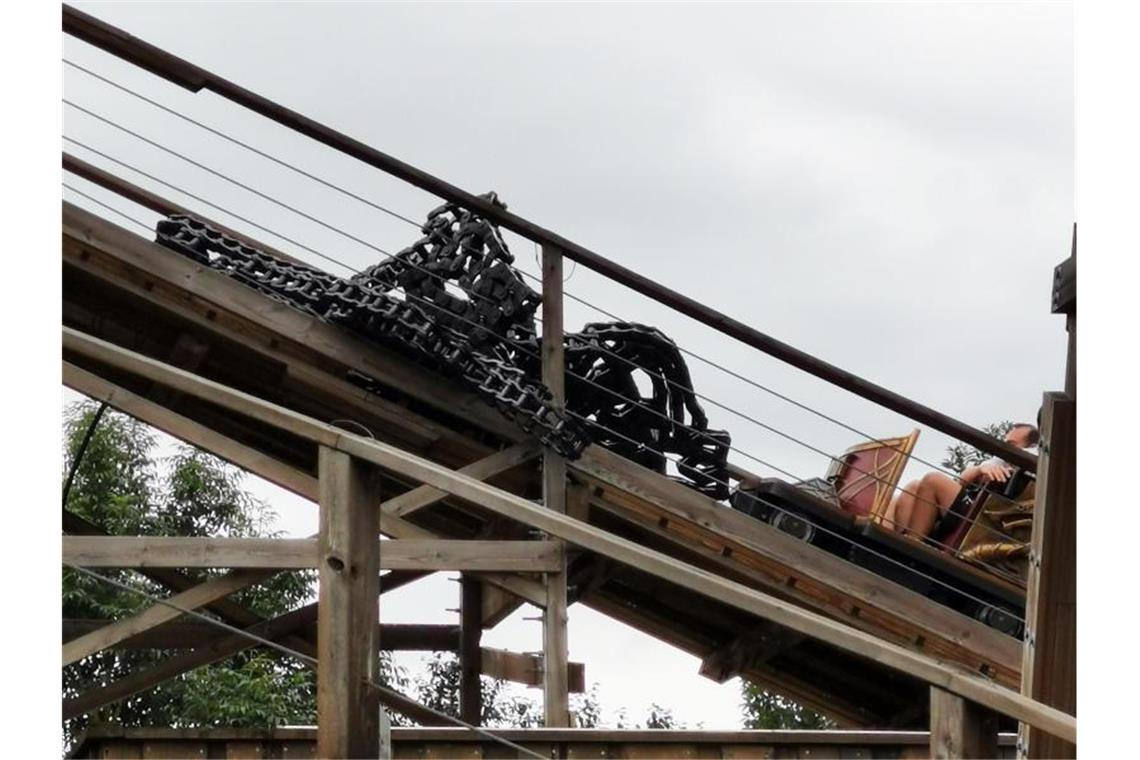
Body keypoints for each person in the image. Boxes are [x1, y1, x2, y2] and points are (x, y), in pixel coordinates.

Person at [882, 423, 1039, 539]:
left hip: (990, 519)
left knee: (933, 479)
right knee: (913, 486)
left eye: (1011, 444)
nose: (1005, 447)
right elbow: (961, 481)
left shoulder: (1035, 462)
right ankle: (899, 537)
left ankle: (913, 542)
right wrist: (980, 470)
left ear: (1030, 447)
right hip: (976, 505)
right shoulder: (1002, 459)